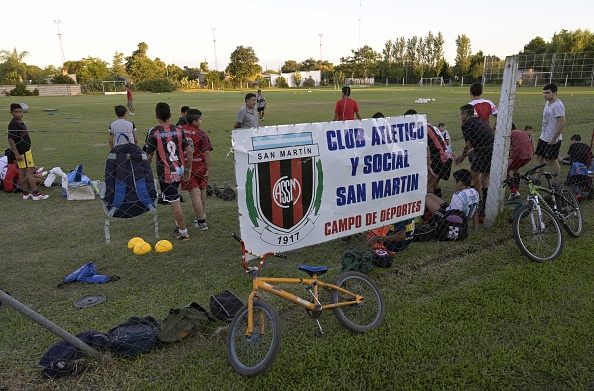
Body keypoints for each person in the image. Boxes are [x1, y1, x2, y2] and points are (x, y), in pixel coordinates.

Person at [144, 102, 193, 241]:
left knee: (174, 201)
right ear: (170, 115)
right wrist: (188, 168)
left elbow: (149, 155)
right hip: (180, 170)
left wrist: (146, 171)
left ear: (156, 116)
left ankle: (184, 233)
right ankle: (179, 225)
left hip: (166, 173)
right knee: (174, 198)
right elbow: (189, 151)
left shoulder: (154, 132)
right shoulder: (179, 129)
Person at [454, 104, 494, 208]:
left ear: (465, 114)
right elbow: (475, 145)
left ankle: (479, 203)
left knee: (474, 175)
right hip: (492, 149)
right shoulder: (481, 121)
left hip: (483, 151)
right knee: (485, 175)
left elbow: (468, 145)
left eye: (460, 114)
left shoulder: (466, 124)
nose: (460, 117)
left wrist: (462, 157)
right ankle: (485, 201)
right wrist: (464, 156)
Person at [7, 103, 49, 200]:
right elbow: (11, 139)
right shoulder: (13, 123)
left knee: (22, 171)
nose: (19, 114)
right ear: (11, 113)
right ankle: (35, 193)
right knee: (29, 172)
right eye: (16, 112)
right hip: (23, 152)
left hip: (26, 151)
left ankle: (25, 193)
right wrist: (16, 153)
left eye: (20, 112)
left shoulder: (19, 122)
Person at [180, 109, 213, 231]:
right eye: (200, 119)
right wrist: (209, 168)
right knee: (201, 190)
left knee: (195, 193)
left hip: (186, 166)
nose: (201, 121)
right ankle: (200, 218)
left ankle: (200, 219)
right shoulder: (201, 133)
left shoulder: (180, 130)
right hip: (200, 166)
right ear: (194, 121)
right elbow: (207, 153)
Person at [536, 83, 565, 181]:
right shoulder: (548, 103)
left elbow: (562, 123)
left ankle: (555, 184)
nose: (545, 95)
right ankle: (537, 179)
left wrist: (554, 139)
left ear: (555, 92)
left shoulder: (558, 105)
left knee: (553, 161)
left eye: (547, 93)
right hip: (543, 137)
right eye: (544, 93)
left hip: (553, 139)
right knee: (539, 158)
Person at [507, 123, 535, 199]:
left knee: (503, 171)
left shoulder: (509, 134)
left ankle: (514, 191)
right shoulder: (520, 132)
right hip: (529, 155)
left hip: (519, 155)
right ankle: (517, 190)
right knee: (516, 169)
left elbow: (507, 148)